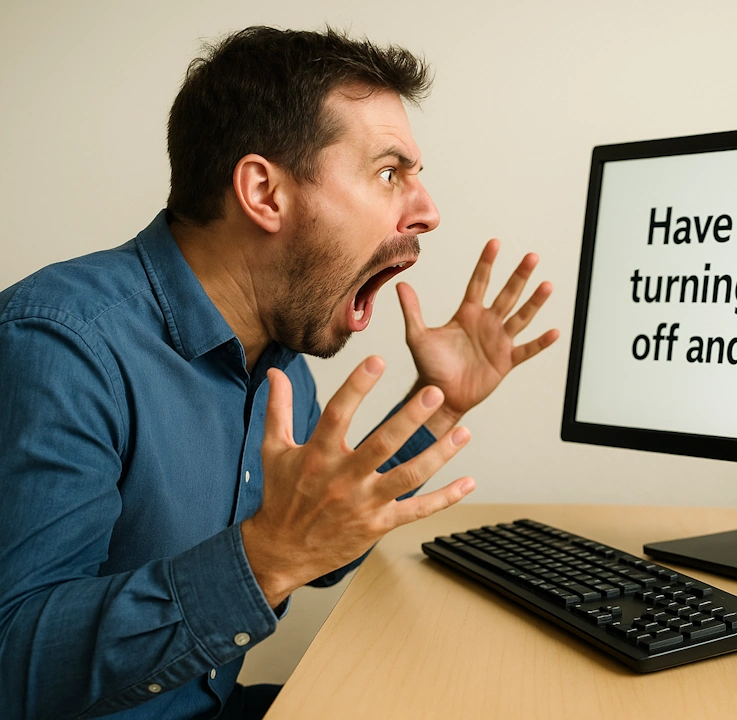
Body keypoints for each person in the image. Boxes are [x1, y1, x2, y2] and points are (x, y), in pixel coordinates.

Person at [0, 26, 558, 720]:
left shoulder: (280, 361)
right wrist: (264, 558)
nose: (428, 211)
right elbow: (12, 662)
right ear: (265, 192)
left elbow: (318, 547)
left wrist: (438, 403)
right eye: (390, 172)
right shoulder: (60, 344)